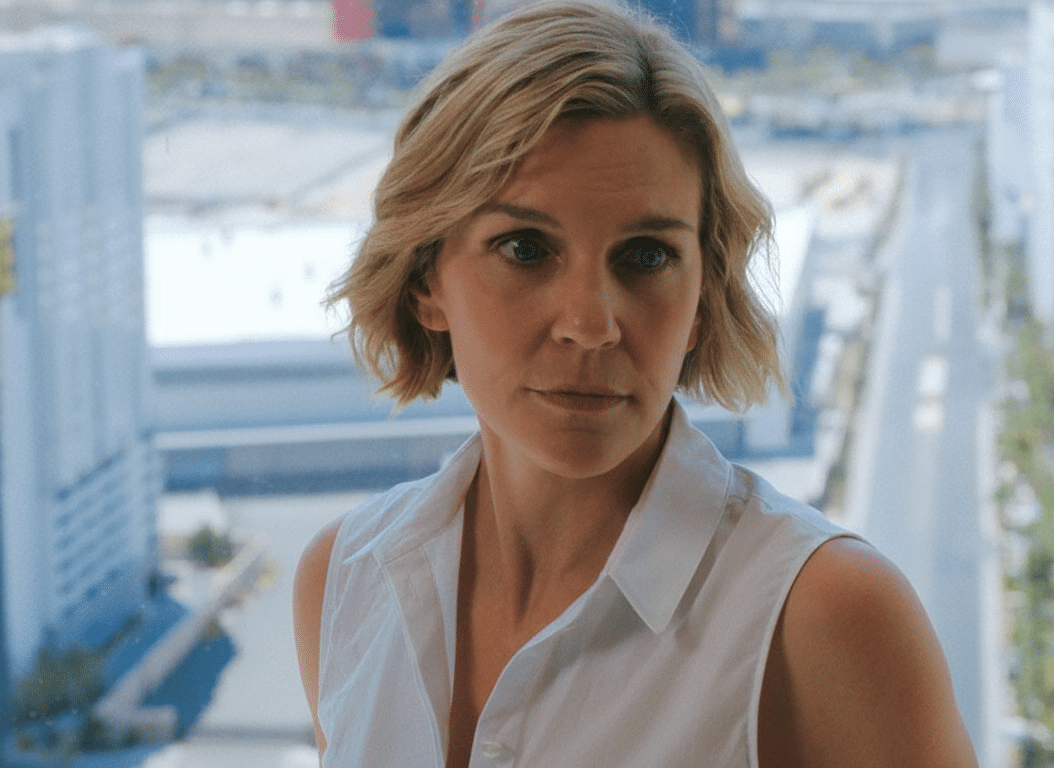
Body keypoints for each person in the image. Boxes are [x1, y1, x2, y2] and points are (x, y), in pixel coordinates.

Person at [293, 2, 979, 766]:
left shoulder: (826, 620)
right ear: (426, 280)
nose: (592, 322)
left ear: (700, 302)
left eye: (647, 257)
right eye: (526, 248)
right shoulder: (343, 581)